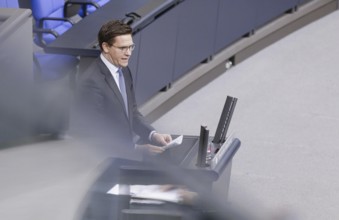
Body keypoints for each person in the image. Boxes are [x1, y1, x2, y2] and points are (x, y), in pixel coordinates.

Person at [72, 20, 172, 157]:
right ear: (106, 47)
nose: (129, 53)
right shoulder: (91, 82)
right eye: (123, 48)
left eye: (131, 47)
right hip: (103, 160)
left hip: (124, 152)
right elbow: (92, 134)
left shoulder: (123, 70)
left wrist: (153, 135)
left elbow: (132, 112)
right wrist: (136, 149)